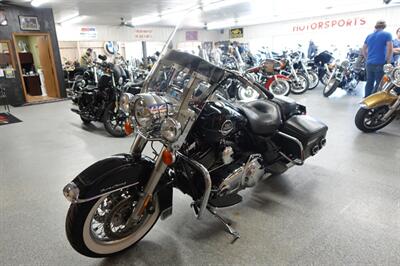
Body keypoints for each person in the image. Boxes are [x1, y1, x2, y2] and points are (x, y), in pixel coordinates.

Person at [362, 20, 393, 97]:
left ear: (376, 26)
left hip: (369, 63)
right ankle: (372, 101)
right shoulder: (387, 34)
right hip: (380, 63)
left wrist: (367, 58)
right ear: (384, 26)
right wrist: (388, 62)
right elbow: (390, 49)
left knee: (369, 82)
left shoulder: (369, 36)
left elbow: (363, 49)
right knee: (379, 83)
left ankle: (366, 98)